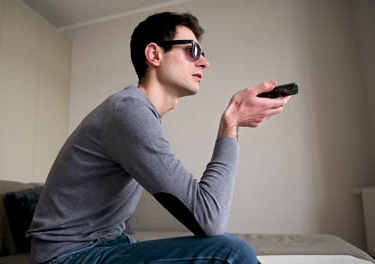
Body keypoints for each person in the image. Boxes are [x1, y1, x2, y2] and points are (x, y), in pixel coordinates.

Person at [27, 11, 290, 264]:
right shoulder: (129, 111)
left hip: (109, 244)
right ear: (154, 54)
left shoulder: (136, 112)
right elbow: (209, 218)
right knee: (230, 252)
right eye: (193, 50)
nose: (204, 62)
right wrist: (231, 123)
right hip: (68, 257)